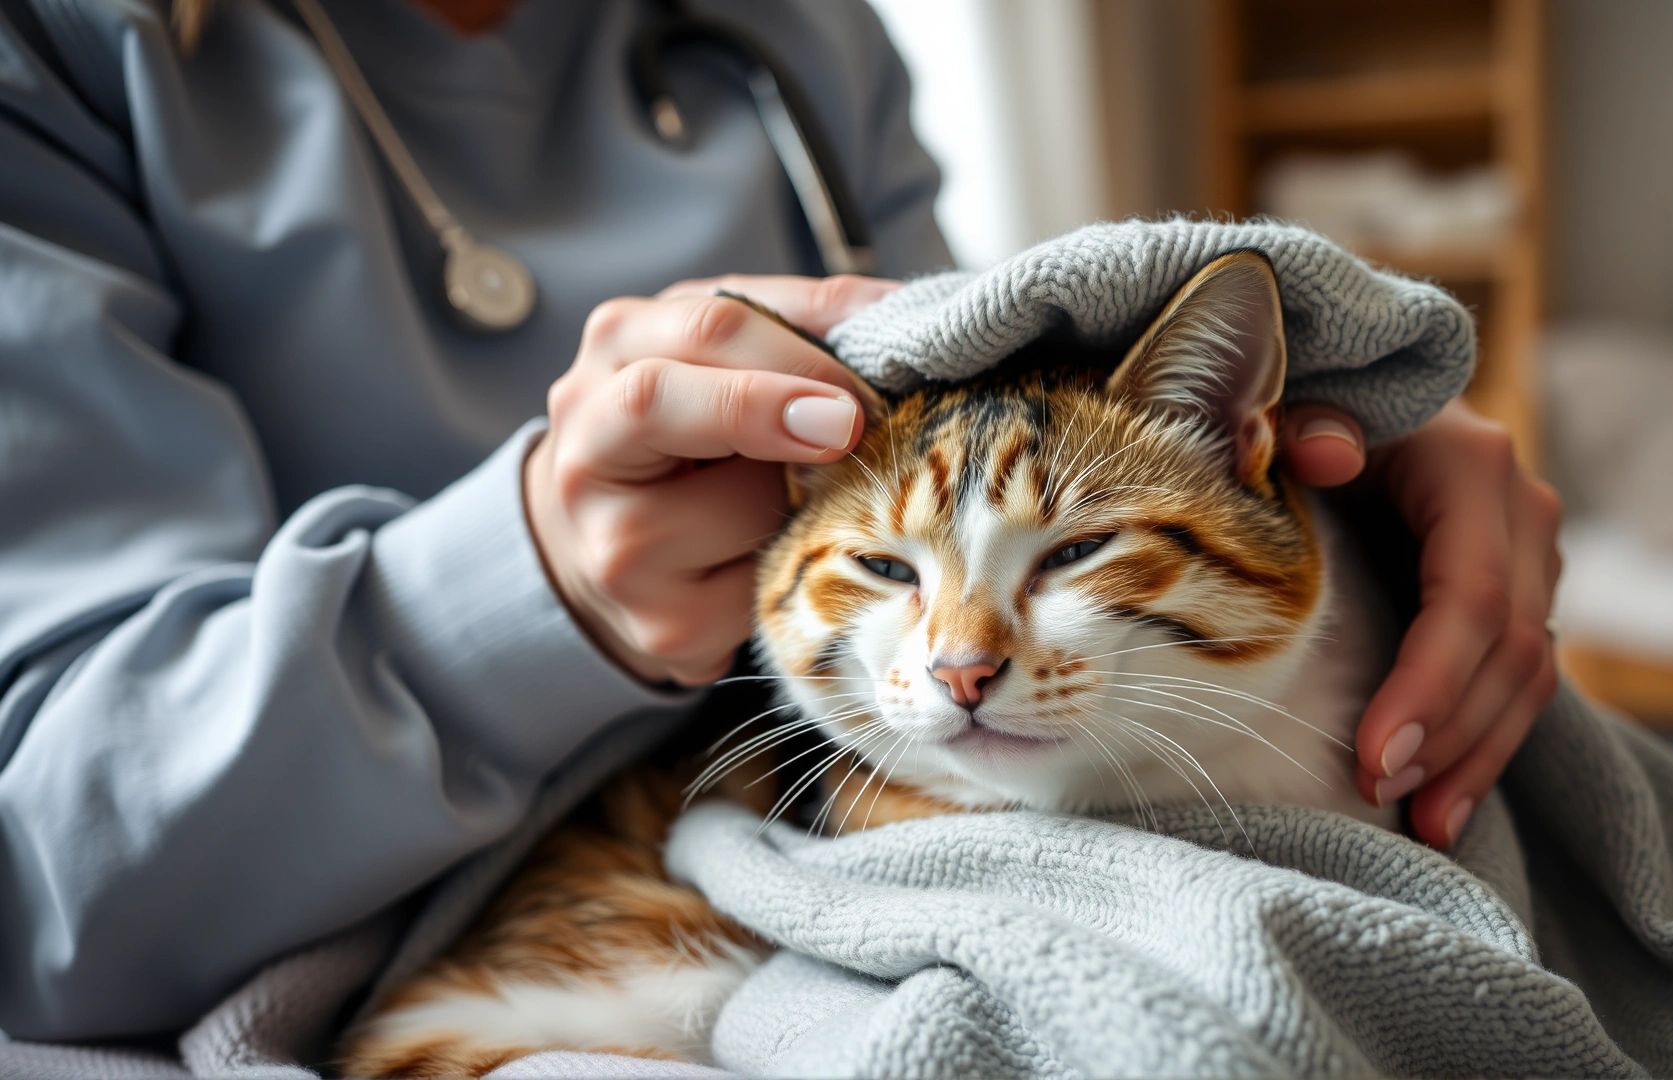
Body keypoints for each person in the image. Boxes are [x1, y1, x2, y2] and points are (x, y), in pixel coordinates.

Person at [0, 0, 1562, 1045]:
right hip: (418, 927)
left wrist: (1362, 446)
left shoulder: (800, 26)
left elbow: (1000, 407)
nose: (955, 659)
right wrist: (522, 596)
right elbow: (45, 882)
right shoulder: (61, 53)